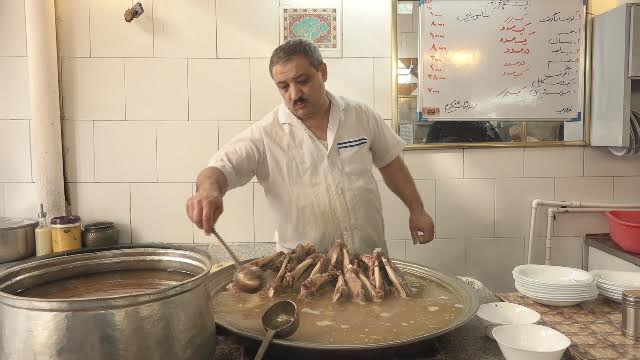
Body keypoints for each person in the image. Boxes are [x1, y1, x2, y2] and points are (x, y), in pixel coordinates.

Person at [186, 39, 434, 255]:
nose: (294, 94)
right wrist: (208, 190)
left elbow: (390, 163)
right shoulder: (265, 134)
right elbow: (220, 168)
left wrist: (417, 209)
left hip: (368, 260)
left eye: (302, 81)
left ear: (323, 72)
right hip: (303, 272)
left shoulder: (360, 115)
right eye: (283, 87)